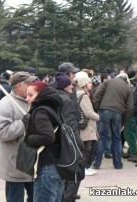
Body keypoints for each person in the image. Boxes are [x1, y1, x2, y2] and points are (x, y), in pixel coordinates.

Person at [0, 71, 37, 202]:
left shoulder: (32, 101)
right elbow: (2, 132)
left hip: (31, 162)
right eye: (29, 83)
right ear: (19, 86)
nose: (32, 85)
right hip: (14, 163)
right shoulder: (6, 104)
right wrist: (23, 123)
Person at [25, 82, 65, 202]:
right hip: (58, 165)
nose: (27, 98)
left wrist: (28, 138)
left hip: (47, 166)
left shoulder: (40, 111)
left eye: (30, 95)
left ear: (41, 95)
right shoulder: (52, 109)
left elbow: (48, 137)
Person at [93, 73, 133, 169]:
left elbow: (97, 95)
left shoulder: (108, 82)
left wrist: (97, 108)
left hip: (104, 111)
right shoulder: (128, 88)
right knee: (116, 138)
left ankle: (97, 164)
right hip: (118, 113)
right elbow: (130, 107)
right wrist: (124, 122)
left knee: (101, 137)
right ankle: (118, 164)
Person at [54, 72, 83, 202]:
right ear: (65, 87)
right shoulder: (66, 100)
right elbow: (71, 126)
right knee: (74, 172)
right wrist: (79, 144)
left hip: (59, 142)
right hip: (68, 142)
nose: (72, 86)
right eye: (70, 84)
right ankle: (68, 198)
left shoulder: (56, 97)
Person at [77, 75, 99, 176]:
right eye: (89, 83)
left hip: (84, 125)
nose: (91, 84)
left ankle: (86, 167)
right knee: (88, 148)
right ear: (84, 85)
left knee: (88, 147)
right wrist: (99, 117)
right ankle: (84, 167)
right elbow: (88, 113)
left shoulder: (81, 94)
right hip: (87, 126)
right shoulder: (84, 96)